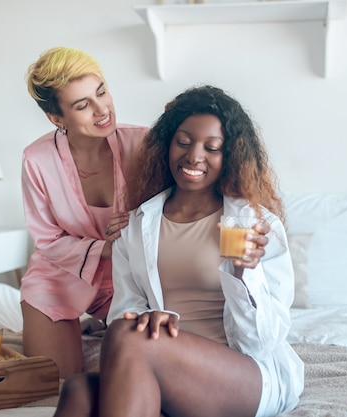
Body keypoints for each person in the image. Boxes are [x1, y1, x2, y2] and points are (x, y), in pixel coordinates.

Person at [54, 85, 304, 417]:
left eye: (212, 148)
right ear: (167, 145)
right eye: (183, 143)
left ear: (229, 155)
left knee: (130, 340)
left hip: (244, 373)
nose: (194, 157)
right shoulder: (138, 224)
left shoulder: (254, 227)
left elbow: (264, 341)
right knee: (79, 390)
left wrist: (246, 274)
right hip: (161, 367)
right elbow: (122, 314)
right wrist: (143, 318)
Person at [21, 47, 147, 378]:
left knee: (149, 368)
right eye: (83, 105)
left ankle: (101, 318)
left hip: (130, 278)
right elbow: (48, 240)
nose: (102, 109)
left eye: (101, 91)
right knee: (58, 382)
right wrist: (103, 247)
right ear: (57, 119)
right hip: (60, 277)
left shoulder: (145, 145)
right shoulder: (36, 160)